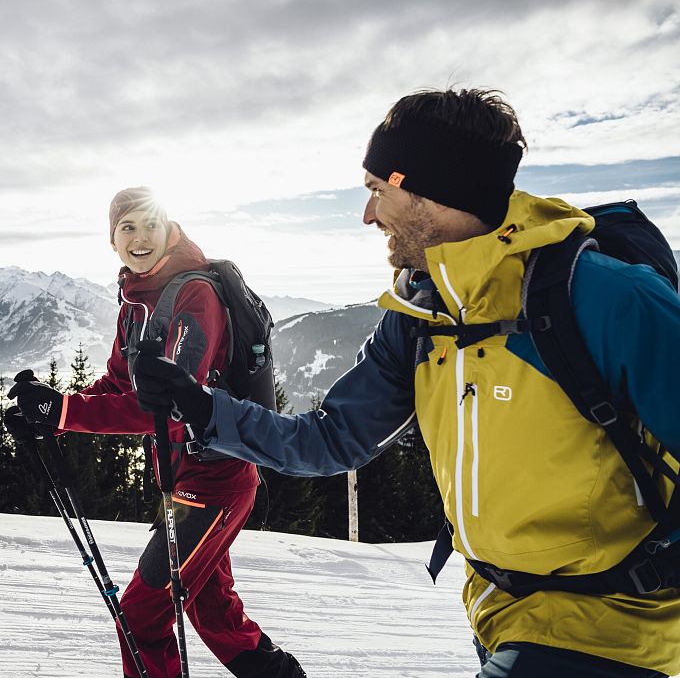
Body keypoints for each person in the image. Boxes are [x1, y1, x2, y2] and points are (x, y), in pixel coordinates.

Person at [131, 89, 680, 678]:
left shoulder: (603, 298)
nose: (368, 215)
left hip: (616, 622)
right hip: (499, 611)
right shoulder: (423, 314)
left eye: (377, 192)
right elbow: (332, 438)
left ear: (432, 192)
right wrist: (204, 408)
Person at [6, 187, 306, 678]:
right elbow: (120, 384)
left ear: (170, 228)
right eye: (127, 227)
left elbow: (168, 407)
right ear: (112, 239)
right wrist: (51, 412)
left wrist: (65, 412)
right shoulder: (134, 300)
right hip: (183, 476)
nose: (140, 237)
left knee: (141, 613)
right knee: (212, 608)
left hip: (214, 480)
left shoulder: (195, 296)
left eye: (150, 224)